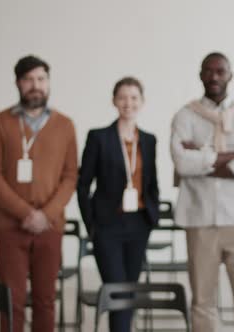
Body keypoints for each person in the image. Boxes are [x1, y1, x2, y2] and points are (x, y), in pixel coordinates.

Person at [0, 55, 78, 332]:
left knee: (45, 300)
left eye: (41, 79)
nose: (36, 85)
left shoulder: (65, 125)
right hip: (9, 226)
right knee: (12, 300)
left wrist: (45, 215)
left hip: (49, 226)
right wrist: (26, 213)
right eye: (29, 79)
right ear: (18, 83)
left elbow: (71, 176)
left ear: (48, 83)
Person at [170, 52, 234, 332]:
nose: (214, 77)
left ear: (230, 75)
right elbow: (181, 163)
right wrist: (228, 156)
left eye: (220, 71)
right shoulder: (185, 115)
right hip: (200, 221)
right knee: (202, 301)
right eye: (208, 71)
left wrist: (201, 156)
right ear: (200, 75)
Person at [77, 77, 159, 332]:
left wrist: (151, 218)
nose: (128, 103)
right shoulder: (99, 137)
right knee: (116, 290)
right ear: (114, 101)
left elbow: (151, 182)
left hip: (138, 224)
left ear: (142, 102)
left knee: (129, 291)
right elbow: (83, 184)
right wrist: (92, 225)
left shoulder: (148, 140)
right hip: (107, 225)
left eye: (134, 97)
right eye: (123, 97)